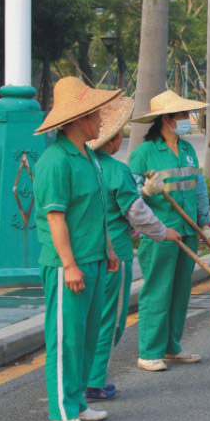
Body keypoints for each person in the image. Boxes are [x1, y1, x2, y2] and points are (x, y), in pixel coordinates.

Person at [33, 76, 122, 421]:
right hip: (68, 264)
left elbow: (98, 210)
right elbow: (56, 218)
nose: (102, 120)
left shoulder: (87, 156)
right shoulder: (56, 161)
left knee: (86, 335)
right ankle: (62, 413)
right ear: (80, 118)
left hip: (95, 257)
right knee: (66, 338)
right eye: (97, 113)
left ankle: (79, 403)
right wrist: (69, 264)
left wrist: (110, 249)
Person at [85, 97, 182, 400]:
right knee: (109, 323)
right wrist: (163, 232)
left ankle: (82, 381)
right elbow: (136, 212)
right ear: (111, 140)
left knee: (86, 321)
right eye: (119, 135)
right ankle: (94, 381)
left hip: (83, 255)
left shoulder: (82, 166)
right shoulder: (116, 170)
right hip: (115, 257)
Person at [129, 90, 210, 372]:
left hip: (188, 231)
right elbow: (129, 197)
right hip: (160, 234)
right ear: (166, 119)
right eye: (182, 115)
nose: (187, 120)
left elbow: (200, 189)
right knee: (157, 291)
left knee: (180, 291)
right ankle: (149, 351)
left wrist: (205, 225)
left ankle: (172, 347)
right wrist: (145, 191)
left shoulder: (189, 150)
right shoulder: (144, 153)